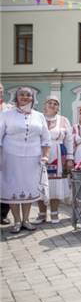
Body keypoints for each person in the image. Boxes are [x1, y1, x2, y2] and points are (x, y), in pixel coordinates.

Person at [0, 87, 51, 233]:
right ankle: (16, 221)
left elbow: (46, 139)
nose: (25, 97)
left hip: (33, 158)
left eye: (28, 95)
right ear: (16, 97)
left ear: (32, 98)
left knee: (28, 188)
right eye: (21, 94)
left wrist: (45, 155)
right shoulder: (6, 114)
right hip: (10, 157)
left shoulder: (39, 116)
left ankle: (26, 220)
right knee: (13, 189)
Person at [33, 96, 74, 225]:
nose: (52, 105)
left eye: (55, 103)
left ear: (58, 107)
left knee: (55, 184)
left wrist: (70, 158)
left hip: (57, 154)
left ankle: (54, 212)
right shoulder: (38, 118)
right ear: (45, 105)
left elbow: (69, 140)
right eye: (49, 103)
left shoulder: (63, 120)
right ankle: (42, 213)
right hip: (39, 153)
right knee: (40, 182)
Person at [0, 82, 13, 225]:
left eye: (1, 90)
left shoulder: (9, 109)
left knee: (7, 181)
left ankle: (3, 213)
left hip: (7, 149)